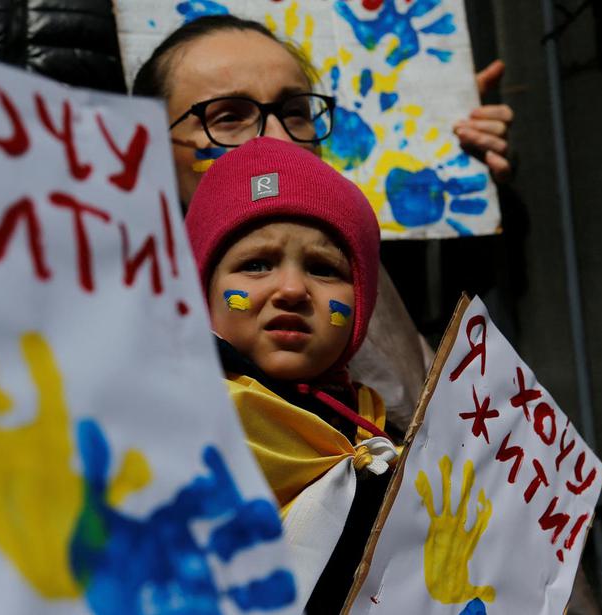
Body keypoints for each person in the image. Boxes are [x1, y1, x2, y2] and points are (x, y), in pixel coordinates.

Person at [131, 14, 512, 431]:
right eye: (226, 118)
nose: (279, 138)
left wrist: (444, 150)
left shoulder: (353, 259)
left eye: (295, 112)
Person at [185, 136, 396, 611]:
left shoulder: (386, 440)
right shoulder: (166, 432)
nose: (292, 289)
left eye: (324, 269)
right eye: (256, 265)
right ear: (202, 291)